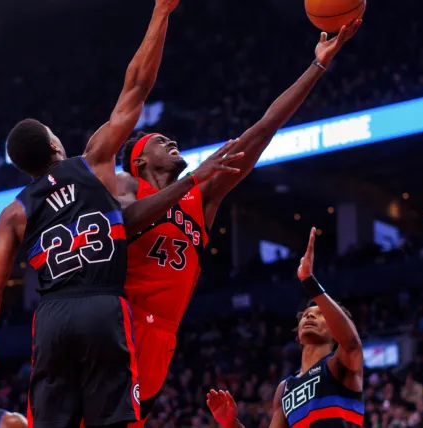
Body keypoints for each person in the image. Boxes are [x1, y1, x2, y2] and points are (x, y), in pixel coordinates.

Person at [0, 0, 245, 425]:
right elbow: (137, 85)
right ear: (56, 146)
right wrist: (160, 13)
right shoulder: (94, 162)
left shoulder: (13, 214)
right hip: (103, 307)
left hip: (53, 316)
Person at [117, 20, 362, 425]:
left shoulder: (201, 197)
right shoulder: (126, 186)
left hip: (164, 334)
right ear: (140, 161)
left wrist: (317, 66)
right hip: (121, 318)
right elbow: (121, 221)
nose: (172, 142)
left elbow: (264, 128)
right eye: (160, 141)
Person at [206, 227, 365, 428]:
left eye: (320, 314)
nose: (309, 315)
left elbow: (351, 343)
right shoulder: (285, 388)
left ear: (334, 330)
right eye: (307, 314)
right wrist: (231, 423)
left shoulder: (340, 364)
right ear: (298, 334)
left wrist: (309, 282)